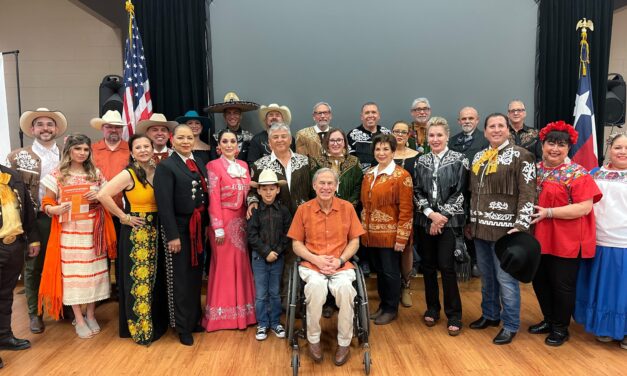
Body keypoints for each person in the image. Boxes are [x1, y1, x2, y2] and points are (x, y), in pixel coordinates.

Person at [528, 121, 602, 346]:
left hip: (566, 239)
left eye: (561, 145)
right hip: (537, 238)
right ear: (542, 144)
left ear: (568, 148)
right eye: (551, 143)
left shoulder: (577, 173)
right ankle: (548, 320)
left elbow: (584, 207)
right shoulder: (534, 170)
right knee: (539, 281)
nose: (555, 149)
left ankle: (561, 327)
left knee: (562, 285)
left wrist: (549, 212)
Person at [467, 113, 536, 345]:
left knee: (506, 279)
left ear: (508, 130)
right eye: (491, 126)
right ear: (485, 131)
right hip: (480, 228)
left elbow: (528, 193)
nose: (496, 130)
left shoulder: (522, 156)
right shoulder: (479, 156)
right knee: (487, 278)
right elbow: (474, 193)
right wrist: (471, 222)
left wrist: (521, 224)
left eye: (500, 126)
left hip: (508, 231)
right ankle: (490, 315)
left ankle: (510, 324)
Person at [39, 134, 116, 339]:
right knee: (74, 276)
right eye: (77, 149)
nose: (82, 153)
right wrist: (54, 209)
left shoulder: (95, 174)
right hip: (69, 232)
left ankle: (90, 315)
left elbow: (107, 196)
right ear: (69, 151)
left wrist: (98, 196)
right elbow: (46, 200)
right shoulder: (58, 174)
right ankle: (78, 319)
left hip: (92, 230)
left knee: (94, 274)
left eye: (85, 149)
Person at [288, 168, 366, 366]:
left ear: (336, 186)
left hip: (340, 264)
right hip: (312, 264)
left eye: (330, 183)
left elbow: (355, 242)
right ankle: (313, 339)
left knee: (347, 290)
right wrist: (316, 260)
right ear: (314, 186)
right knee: (315, 288)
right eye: (321, 183)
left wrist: (339, 260)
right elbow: (296, 245)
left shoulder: (347, 208)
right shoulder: (303, 209)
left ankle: (344, 342)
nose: (326, 187)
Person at [96, 134, 168, 345]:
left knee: (156, 280)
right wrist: (124, 217)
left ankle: (157, 324)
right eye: (139, 147)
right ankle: (142, 330)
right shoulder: (129, 174)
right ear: (132, 152)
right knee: (140, 282)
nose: (144, 150)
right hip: (137, 231)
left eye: (147, 146)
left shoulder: (157, 170)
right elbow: (103, 194)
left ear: (153, 149)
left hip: (157, 228)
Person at [6, 107, 65, 333]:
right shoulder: (17, 156)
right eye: (40, 124)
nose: (45, 129)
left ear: (56, 129)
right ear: (32, 129)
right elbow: (8, 191)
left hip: (63, 216)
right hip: (34, 219)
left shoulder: (66, 154)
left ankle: (63, 306)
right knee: (33, 266)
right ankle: (35, 312)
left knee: (64, 263)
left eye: (49, 124)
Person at [413, 116, 469, 336]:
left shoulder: (460, 159)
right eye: (431, 135)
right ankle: (432, 308)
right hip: (425, 222)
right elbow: (416, 191)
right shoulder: (420, 161)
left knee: (446, 267)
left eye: (439, 135)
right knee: (428, 267)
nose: (435, 139)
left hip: (450, 223)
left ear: (447, 136)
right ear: (427, 137)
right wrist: (430, 214)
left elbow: (461, 192)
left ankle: (454, 314)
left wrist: (442, 217)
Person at [153, 125, 208, 346]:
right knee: (180, 279)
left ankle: (194, 320)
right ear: (171, 139)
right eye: (181, 138)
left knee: (195, 277)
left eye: (189, 137)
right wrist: (172, 236)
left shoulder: (198, 162)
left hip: (197, 228)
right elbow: (164, 205)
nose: (186, 141)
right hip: (180, 229)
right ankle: (182, 326)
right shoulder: (167, 166)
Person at [249, 123, 311, 307]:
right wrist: (251, 201)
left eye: (284, 136)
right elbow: (252, 189)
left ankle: (297, 304)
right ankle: (278, 306)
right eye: (275, 137)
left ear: (290, 139)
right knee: (277, 263)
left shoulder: (306, 161)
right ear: (269, 142)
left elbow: (314, 190)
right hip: (273, 223)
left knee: (299, 262)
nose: (280, 140)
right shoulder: (260, 164)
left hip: (303, 220)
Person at [575, 133, 627, 349]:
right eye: (618, 147)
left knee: (622, 292)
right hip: (599, 240)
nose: (623, 151)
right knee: (603, 289)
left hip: (624, 243)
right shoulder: (595, 174)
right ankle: (603, 326)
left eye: (626, 148)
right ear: (609, 149)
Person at [202, 129, 256, 332]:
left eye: (233, 141)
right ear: (219, 146)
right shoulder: (213, 166)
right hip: (223, 222)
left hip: (242, 221)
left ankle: (244, 314)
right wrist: (217, 227)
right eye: (225, 141)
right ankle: (222, 316)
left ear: (238, 145)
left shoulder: (243, 166)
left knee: (242, 266)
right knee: (224, 267)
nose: (229, 144)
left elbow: (249, 193)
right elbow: (213, 197)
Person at [361, 134, 413, 325]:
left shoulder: (402, 176)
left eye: (385, 149)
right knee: (381, 273)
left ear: (393, 152)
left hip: (391, 236)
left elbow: (407, 209)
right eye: (377, 149)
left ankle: (391, 309)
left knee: (391, 273)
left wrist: (402, 237)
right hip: (371, 235)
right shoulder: (368, 174)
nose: (381, 153)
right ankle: (383, 306)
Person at [0, 164, 39, 366]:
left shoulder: (11, 175)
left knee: (6, 295)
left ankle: (4, 336)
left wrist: (33, 239)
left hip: (13, 244)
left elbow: (28, 211)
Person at [247, 169, 291, 340]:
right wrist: (266, 252)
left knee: (274, 291)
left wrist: (277, 252)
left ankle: (275, 322)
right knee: (261, 293)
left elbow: (287, 233)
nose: (268, 192)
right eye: (264, 189)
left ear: (278, 190)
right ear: (258, 190)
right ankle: (262, 323)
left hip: (277, 258)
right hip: (259, 258)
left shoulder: (284, 211)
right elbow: (252, 235)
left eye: (271, 188)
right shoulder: (255, 211)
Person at [449, 106, 488, 278]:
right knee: (457, 226)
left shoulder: (485, 139)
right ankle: (460, 262)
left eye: (470, 118)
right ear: (459, 121)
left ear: (477, 120)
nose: (467, 121)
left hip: (476, 191)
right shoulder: (452, 141)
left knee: (474, 226)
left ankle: (476, 261)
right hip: (455, 190)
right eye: (464, 119)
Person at [391, 120, 419, 307]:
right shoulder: (385, 154)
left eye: (403, 132)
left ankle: (406, 285)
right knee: (389, 247)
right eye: (396, 131)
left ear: (409, 135)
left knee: (406, 247)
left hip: (410, 207)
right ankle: (392, 287)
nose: (399, 135)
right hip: (388, 208)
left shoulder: (417, 156)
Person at [309, 128, 363, 208]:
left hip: (348, 210)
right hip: (322, 209)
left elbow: (358, 188)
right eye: (332, 140)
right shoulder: (317, 162)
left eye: (339, 140)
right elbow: (313, 187)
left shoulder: (354, 161)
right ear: (327, 143)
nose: (335, 143)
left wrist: (348, 206)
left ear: (344, 142)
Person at [205, 92, 259, 163]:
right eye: (228, 113)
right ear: (224, 116)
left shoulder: (249, 138)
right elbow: (213, 161)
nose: (232, 116)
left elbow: (251, 162)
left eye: (235, 113)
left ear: (240, 116)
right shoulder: (216, 137)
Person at [347, 102, 391, 172]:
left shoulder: (387, 133)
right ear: (361, 117)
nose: (370, 115)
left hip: (385, 176)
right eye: (367, 113)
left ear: (379, 116)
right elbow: (349, 161)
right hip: (361, 178)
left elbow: (393, 156)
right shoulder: (352, 135)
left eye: (373, 112)